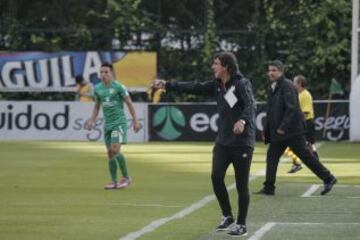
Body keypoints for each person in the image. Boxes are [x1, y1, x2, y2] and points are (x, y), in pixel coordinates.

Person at [154, 52, 256, 237]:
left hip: (242, 143)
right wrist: (169, 84)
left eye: (216, 63)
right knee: (216, 177)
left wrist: (243, 121)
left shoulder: (241, 83)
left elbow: (251, 104)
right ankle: (227, 216)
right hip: (223, 142)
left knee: (242, 185)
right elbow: (195, 87)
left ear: (225, 66)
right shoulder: (217, 86)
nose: (213, 66)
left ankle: (241, 224)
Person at [255, 60, 337, 196]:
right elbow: (270, 111)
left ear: (281, 71)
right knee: (271, 157)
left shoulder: (287, 86)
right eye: (269, 70)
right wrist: (266, 130)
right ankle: (269, 187)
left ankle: (328, 178)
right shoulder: (272, 86)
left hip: (291, 131)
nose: (271, 73)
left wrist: (283, 127)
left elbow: (292, 109)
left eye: (274, 70)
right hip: (278, 133)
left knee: (305, 156)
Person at [85, 63, 142, 190]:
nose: (103, 74)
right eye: (101, 72)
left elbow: (129, 103)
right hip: (107, 125)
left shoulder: (119, 87)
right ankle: (113, 181)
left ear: (111, 73)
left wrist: (135, 121)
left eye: (106, 72)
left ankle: (126, 177)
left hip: (118, 123)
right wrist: (92, 120)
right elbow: (96, 106)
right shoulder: (98, 88)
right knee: (110, 153)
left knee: (115, 149)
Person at [285, 75, 318, 173]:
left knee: (310, 144)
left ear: (299, 83)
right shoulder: (297, 94)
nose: (292, 83)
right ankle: (297, 163)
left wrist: (293, 120)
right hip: (301, 123)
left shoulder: (305, 95)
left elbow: (305, 112)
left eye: (294, 82)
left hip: (306, 123)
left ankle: (316, 162)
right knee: (295, 144)